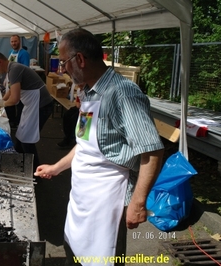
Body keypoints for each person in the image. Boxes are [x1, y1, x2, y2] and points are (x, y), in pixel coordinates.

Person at [34, 28, 164, 266]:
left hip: (107, 199)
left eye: (63, 62)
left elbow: (152, 151)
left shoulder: (122, 93)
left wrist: (138, 202)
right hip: (82, 196)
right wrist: (56, 167)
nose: (61, 69)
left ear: (80, 59)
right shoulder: (88, 91)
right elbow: (84, 143)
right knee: (75, 251)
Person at [0, 51, 53, 170]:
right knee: (20, 136)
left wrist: (2, 104)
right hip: (31, 105)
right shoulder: (11, 68)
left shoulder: (15, 69)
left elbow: (15, 99)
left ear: (0, 62)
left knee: (27, 140)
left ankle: (35, 171)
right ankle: (18, 164)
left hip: (41, 105)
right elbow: (11, 91)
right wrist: (1, 101)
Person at [5, 35, 30, 128]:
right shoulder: (10, 52)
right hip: (10, 81)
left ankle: (19, 123)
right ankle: (12, 121)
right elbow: (9, 68)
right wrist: (6, 79)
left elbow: (25, 70)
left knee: (19, 104)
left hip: (19, 83)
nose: (13, 43)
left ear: (19, 42)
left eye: (15, 41)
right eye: (12, 42)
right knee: (10, 102)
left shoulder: (24, 54)